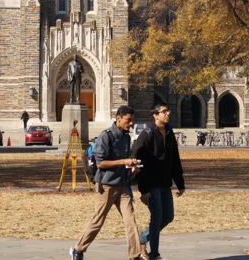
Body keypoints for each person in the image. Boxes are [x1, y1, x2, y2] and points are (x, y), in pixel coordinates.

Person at [69, 105, 144, 260]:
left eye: (132, 120)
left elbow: (123, 163)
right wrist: (124, 161)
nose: (131, 124)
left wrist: (131, 168)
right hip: (106, 186)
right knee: (98, 220)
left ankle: (134, 255)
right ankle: (78, 249)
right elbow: (100, 163)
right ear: (118, 118)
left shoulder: (126, 137)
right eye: (128, 120)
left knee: (131, 221)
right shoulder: (106, 136)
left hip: (122, 186)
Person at [132, 102, 185, 260]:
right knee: (156, 217)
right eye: (164, 112)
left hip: (165, 183)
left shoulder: (169, 132)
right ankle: (154, 254)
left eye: (168, 111)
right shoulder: (146, 134)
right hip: (151, 184)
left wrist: (180, 183)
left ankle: (142, 238)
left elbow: (174, 159)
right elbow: (138, 162)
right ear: (155, 115)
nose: (167, 114)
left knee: (168, 216)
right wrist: (144, 190)